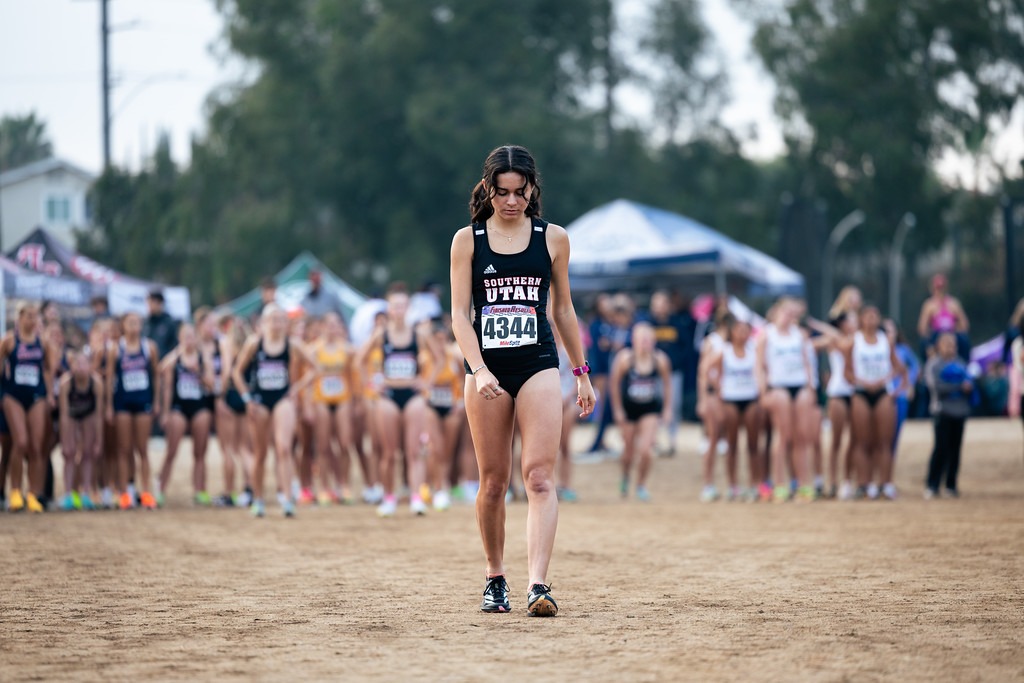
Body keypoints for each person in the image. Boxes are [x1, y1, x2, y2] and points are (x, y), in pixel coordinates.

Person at [450, 144, 595, 617]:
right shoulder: (467, 240)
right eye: (502, 192)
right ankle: (495, 578)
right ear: (488, 189)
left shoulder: (553, 238)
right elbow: (458, 315)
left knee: (537, 475)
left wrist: (581, 373)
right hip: (487, 369)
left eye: (520, 191)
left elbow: (564, 310)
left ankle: (538, 585)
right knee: (493, 482)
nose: (511, 201)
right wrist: (478, 368)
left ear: (532, 188)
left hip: (537, 362)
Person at [232, 304, 319, 518]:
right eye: (272, 319)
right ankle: (259, 499)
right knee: (260, 452)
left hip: (283, 399)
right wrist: (247, 399)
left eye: (281, 319)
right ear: (263, 322)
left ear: (286, 323)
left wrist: (296, 388)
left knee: (284, 448)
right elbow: (236, 373)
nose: (276, 323)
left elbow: (315, 368)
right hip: (259, 400)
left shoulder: (292, 344)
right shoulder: (255, 343)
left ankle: (288, 499)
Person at [358, 282, 437, 517]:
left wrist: (427, 382)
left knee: (414, 451)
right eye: (395, 306)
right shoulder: (381, 335)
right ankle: (389, 497)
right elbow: (360, 360)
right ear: (389, 309)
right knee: (389, 453)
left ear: (408, 308)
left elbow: (439, 358)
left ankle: (415, 497)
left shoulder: (418, 334)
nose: (399, 310)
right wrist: (371, 385)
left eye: (403, 305)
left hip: (412, 394)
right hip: (388, 396)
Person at [755, 297, 816, 503]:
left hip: (799, 386)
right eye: (786, 312)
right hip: (778, 387)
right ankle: (779, 484)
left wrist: (811, 387)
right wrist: (762, 391)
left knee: (802, 437)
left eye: (793, 313)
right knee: (783, 435)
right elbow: (759, 365)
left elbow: (807, 363)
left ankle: (803, 485)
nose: (790, 316)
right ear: (777, 311)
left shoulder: (799, 335)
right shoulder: (767, 335)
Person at [844, 306, 905, 500]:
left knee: (884, 442)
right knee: (862, 442)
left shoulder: (886, 341)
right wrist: (863, 382)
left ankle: (886, 484)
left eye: (875, 316)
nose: (871, 320)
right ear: (861, 319)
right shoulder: (855, 341)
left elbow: (898, 367)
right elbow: (847, 372)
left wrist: (887, 382)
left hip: (882, 392)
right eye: (867, 316)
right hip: (861, 393)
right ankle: (864, 483)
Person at [1, 303, 54, 513]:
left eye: (35, 317)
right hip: (13, 395)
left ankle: (34, 494)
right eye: (28, 316)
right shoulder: (9, 341)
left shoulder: (43, 343)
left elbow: (48, 370)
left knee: (36, 445)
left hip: (36, 395)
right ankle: (15, 492)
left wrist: (50, 395)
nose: (32, 321)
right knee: (20, 441)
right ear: (19, 317)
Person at [609, 322, 672, 502]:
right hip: (629, 408)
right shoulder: (625, 359)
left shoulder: (660, 359)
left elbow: (668, 385)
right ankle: (625, 476)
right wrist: (618, 409)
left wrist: (667, 409)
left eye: (648, 339)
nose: (645, 343)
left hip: (649, 408)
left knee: (645, 449)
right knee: (628, 451)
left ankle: (641, 484)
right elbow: (614, 384)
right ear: (634, 341)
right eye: (642, 339)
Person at [155, 322, 216, 506]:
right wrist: (165, 413)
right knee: (171, 450)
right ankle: (160, 489)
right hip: (178, 407)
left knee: (200, 452)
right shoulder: (175, 358)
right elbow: (161, 370)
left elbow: (211, 384)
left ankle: (200, 490)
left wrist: (198, 372)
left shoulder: (203, 358)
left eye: (192, 336)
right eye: (186, 336)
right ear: (180, 338)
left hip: (199, 406)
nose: (190, 340)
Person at [106, 312, 160, 510]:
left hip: (143, 401)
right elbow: (110, 379)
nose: (134, 326)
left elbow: (156, 376)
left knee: (142, 449)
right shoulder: (115, 349)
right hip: (122, 402)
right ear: (123, 325)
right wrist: (109, 406)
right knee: (123, 449)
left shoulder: (149, 348)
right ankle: (126, 493)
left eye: (137, 322)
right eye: (130, 322)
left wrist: (156, 401)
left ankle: (146, 492)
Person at [709, 317, 763, 502]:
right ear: (732, 332)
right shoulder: (725, 352)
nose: (743, 333)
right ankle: (733, 485)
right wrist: (719, 389)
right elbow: (708, 369)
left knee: (753, 444)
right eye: (739, 330)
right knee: (732, 444)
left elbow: (761, 371)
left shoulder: (753, 351)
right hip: (731, 399)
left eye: (746, 330)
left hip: (750, 397)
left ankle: (754, 483)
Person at [311, 312, 356, 505]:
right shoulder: (313, 350)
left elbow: (352, 376)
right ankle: (323, 487)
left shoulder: (346, 350)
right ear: (321, 326)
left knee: (345, 443)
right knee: (323, 445)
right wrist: (306, 404)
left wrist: (356, 401)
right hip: (321, 399)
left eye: (336, 324)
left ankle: (344, 484)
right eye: (328, 324)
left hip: (342, 398)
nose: (332, 327)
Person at [642, 289, 694, 456]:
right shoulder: (648, 324)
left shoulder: (677, 323)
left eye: (662, 303)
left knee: (673, 404)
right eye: (655, 304)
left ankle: (671, 439)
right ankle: (654, 439)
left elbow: (685, 347)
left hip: (674, 373)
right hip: (653, 373)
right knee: (654, 404)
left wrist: (675, 362)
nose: (658, 307)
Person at [925, 332, 973, 499]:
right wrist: (960, 386)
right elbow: (936, 387)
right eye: (947, 344)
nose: (950, 348)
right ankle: (932, 485)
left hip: (959, 412)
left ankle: (951, 485)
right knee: (941, 449)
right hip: (942, 412)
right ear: (939, 346)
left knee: (955, 451)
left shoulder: (961, 363)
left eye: (953, 345)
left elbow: (970, 383)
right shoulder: (934, 365)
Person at [57, 348, 104, 510]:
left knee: (88, 453)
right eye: (77, 363)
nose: (81, 367)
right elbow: (63, 415)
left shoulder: (96, 383)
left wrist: (99, 440)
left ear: (91, 366)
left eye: (85, 363)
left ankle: (85, 492)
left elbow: (98, 416)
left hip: (89, 415)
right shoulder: (65, 383)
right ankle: (69, 493)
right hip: (71, 414)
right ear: (71, 365)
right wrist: (65, 439)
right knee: (69, 453)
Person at [825, 312, 857, 500]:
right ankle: (832, 481)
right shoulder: (835, 340)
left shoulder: (860, 340)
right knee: (836, 441)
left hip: (855, 392)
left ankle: (847, 481)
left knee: (853, 440)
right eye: (848, 321)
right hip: (838, 392)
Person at [884, 319, 919, 458]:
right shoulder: (876, 348)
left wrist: (909, 384)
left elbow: (915, 366)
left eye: (890, 331)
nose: (888, 334)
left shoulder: (903, 349)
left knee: (896, 430)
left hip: (899, 395)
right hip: (882, 393)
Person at [917, 273, 970, 360]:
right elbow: (922, 328)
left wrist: (955, 331)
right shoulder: (929, 305)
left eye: (942, 288)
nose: (940, 291)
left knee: (964, 340)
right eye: (937, 288)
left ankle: (965, 363)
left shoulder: (954, 303)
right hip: (936, 334)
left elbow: (964, 325)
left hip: (952, 333)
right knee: (924, 342)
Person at [143, 291, 178, 360]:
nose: (149, 306)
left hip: (164, 364)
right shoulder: (145, 323)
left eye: (152, 303)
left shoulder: (169, 323)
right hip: (148, 363)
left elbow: (175, 346)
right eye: (148, 303)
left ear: (160, 304)